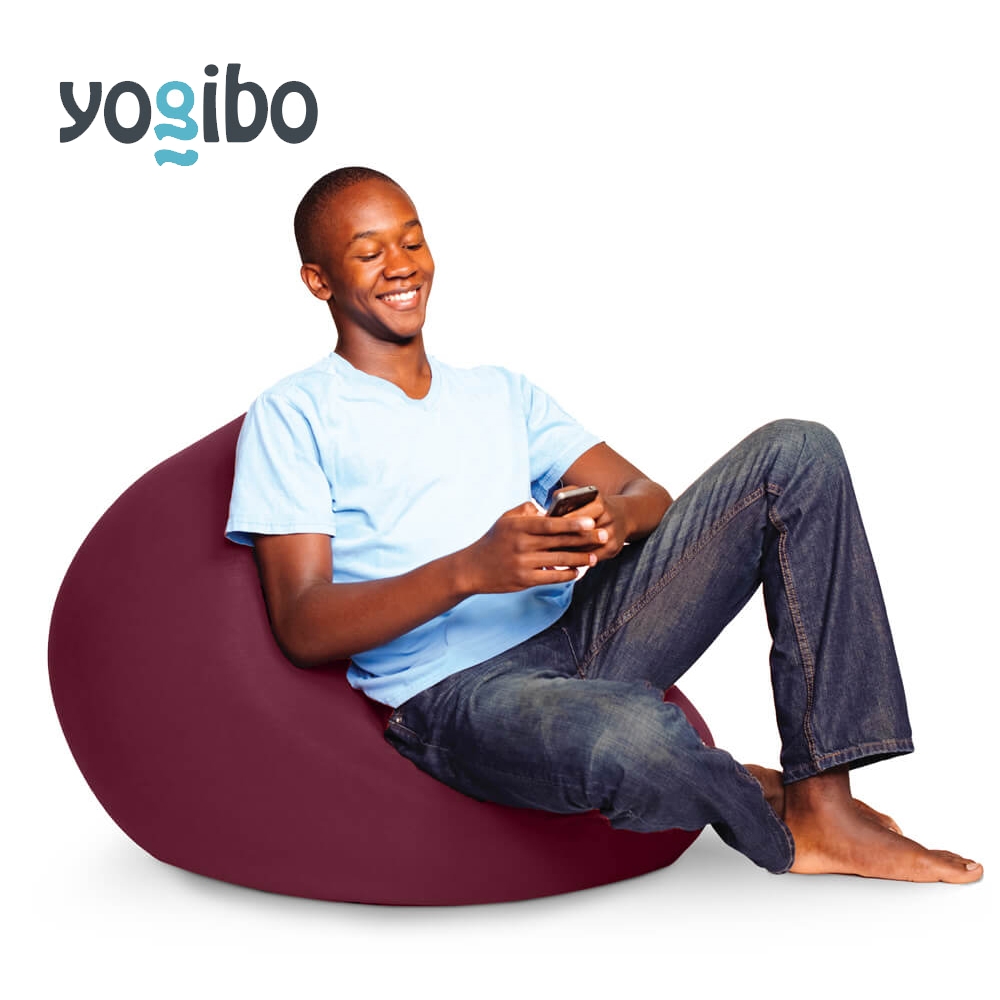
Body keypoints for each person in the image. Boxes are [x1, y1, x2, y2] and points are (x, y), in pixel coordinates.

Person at [226, 165, 982, 883]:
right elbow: (302, 623)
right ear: (318, 280)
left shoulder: (499, 391)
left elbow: (646, 494)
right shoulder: (293, 413)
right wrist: (471, 571)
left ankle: (824, 802)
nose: (401, 265)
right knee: (635, 737)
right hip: (455, 697)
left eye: (413, 240)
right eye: (370, 252)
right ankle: (753, 804)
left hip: (585, 632)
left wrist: (610, 518)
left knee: (798, 452)